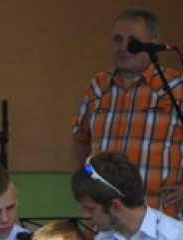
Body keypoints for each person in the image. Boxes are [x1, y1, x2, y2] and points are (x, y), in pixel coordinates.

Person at [72, 8, 183, 218]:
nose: (123, 47)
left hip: (157, 215)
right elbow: (80, 139)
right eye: (117, 39)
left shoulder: (176, 88)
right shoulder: (97, 87)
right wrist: (83, 184)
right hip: (104, 218)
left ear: (153, 43)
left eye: (132, 41)